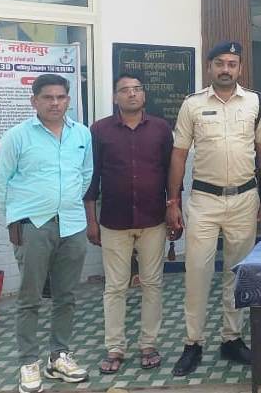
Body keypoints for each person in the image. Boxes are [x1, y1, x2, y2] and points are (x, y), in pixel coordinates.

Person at [167, 41, 261, 374]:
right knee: (197, 271)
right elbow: (179, 154)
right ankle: (192, 343)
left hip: (244, 198)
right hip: (204, 200)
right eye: (220, 63)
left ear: (240, 68)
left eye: (232, 64)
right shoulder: (192, 105)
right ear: (210, 66)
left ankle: (232, 338)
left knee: (237, 273)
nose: (226, 69)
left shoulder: (255, 102)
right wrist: (173, 200)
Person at [0, 74, 92, 393]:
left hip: (72, 224)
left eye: (61, 97)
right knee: (30, 297)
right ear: (34, 101)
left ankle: (59, 356)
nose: (55, 103)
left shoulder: (81, 133)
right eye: (48, 97)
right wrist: (19, 216)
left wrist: (67, 202)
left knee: (66, 296)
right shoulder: (17, 136)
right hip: (33, 225)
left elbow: (86, 173)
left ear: (68, 100)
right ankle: (28, 363)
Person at [84, 74, 174, 374]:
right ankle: (115, 347)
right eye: (125, 90)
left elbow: (170, 173)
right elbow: (92, 177)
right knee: (115, 287)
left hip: (153, 219)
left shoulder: (161, 128)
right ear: (115, 97)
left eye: (137, 89)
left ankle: (148, 344)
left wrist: (174, 208)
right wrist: (91, 220)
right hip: (114, 220)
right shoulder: (99, 130)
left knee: (152, 284)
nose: (132, 94)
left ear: (144, 95)